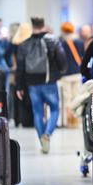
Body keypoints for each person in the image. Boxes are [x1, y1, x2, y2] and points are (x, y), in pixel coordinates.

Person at [16, 17, 67, 154]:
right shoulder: (53, 40)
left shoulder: (24, 45)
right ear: (43, 25)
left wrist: (19, 87)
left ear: (32, 26)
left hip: (32, 84)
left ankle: (41, 139)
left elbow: (20, 67)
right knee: (55, 109)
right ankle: (47, 134)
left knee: (37, 112)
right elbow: (62, 60)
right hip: (49, 81)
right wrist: (61, 72)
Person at [59, 22, 84, 128]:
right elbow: (82, 55)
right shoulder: (79, 42)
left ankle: (67, 121)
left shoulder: (61, 43)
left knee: (67, 99)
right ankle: (76, 121)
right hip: (77, 73)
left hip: (65, 75)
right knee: (76, 98)